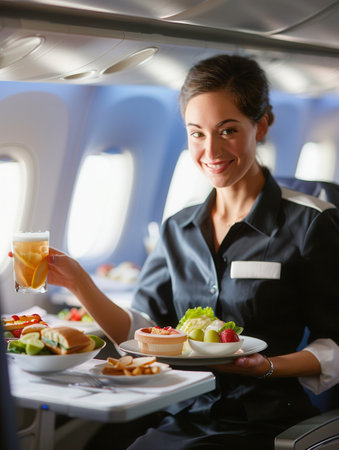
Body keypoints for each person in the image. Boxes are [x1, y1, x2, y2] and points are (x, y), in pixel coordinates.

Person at [46, 54, 339, 449]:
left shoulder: (311, 223)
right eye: (196, 132)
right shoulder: (178, 228)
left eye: (228, 129)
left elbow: (335, 343)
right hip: (184, 410)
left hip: (266, 420)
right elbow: (142, 332)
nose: (211, 149)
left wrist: (266, 367)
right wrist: (79, 282)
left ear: (262, 125)